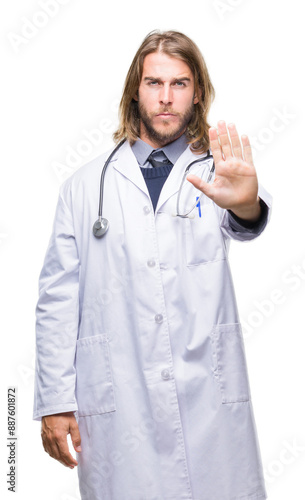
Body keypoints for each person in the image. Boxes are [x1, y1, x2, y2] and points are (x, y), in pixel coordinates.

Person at [33, 30, 271, 500]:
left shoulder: (218, 172)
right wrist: (55, 402)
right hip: (121, 404)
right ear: (134, 90)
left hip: (208, 396)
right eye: (153, 83)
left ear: (197, 92)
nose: (166, 98)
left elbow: (247, 220)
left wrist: (247, 205)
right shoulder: (84, 188)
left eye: (179, 84)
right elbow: (57, 300)